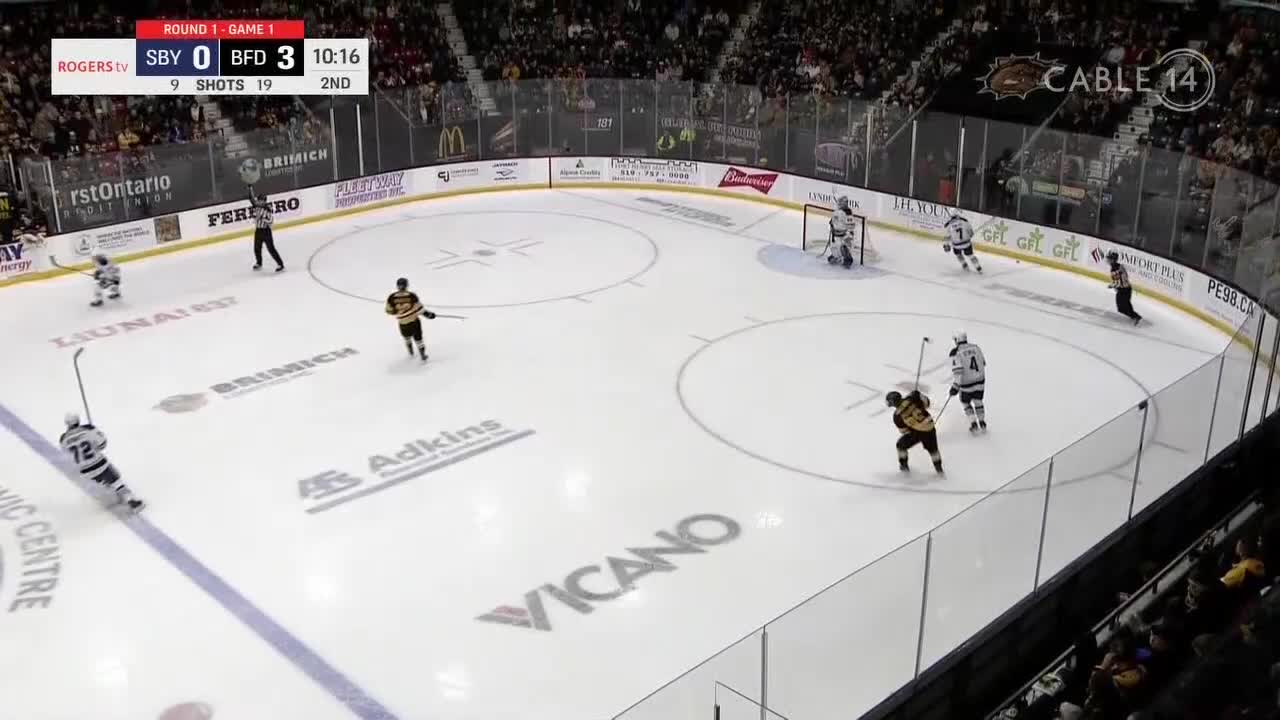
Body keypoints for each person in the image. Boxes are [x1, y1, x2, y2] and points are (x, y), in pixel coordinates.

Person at [59, 413, 144, 511]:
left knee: (104, 483)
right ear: (78, 420)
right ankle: (131, 501)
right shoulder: (88, 429)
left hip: (85, 470)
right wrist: (95, 434)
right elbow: (102, 444)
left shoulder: (63, 439)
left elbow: (67, 454)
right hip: (99, 463)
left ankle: (113, 496)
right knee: (116, 482)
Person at [886, 389, 943, 473]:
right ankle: (939, 470)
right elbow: (927, 403)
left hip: (917, 432)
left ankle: (904, 467)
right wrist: (918, 395)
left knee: (900, 445)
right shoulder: (913, 397)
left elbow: (904, 431)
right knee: (933, 451)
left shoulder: (897, 416)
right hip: (930, 427)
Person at [385, 277, 436, 361]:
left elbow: (388, 311)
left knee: (407, 337)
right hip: (414, 322)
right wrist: (429, 315)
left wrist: (397, 310)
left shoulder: (391, 297)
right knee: (418, 338)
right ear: (407, 285)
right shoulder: (412, 296)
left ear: (397, 286)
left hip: (402, 323)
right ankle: (422, 354)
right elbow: (419, 309)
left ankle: (410, 351)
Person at [949, 330, 988, 432]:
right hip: (980, 381)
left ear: (957, 340)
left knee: (965, 402)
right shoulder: (976, 347)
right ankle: (982, 423)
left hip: (966, 384)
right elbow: (983, 363)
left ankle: (973, 423)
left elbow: (958, 372)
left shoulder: (956, 352)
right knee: (978, 401)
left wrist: (955, 386)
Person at [1106, 250, 1142, 325]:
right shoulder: (1116, 267)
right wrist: (1114, 284)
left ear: (1113, 259)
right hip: (1124, 289)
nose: (1108, 260)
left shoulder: (1116, 268)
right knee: (1124, 306)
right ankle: (1135, 316)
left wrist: (1112, 285)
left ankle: (1135, 317)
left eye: (1109, 258)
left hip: (1124, 290)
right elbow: (1119, 280)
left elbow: (1120, 282)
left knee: (1122, 308)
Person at [251, 193, 284, 272]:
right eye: (259, 200)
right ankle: (259, 263)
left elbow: (271, 221)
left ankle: (280, 264)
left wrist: (263, 218)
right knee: (257, 248)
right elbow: (254, 216)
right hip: (258, 230)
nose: (259, 202)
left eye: (261, 201)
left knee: (271, 249)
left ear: (264, 201)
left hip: (266, 231)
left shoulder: (267, 209)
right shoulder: (256, 208)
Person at [826, 196, 856, 268]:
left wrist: (849, 234)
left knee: (843, 246)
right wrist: (832, 225)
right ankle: (836, 256)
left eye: (841, 202)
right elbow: (833, 221)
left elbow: (851, 225)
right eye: (839, 202)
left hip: (844, 234)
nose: (839, 203)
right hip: (836, 234)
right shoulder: (836, 211)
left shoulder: (847, 212)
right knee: (834, 246)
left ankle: (848, 259)